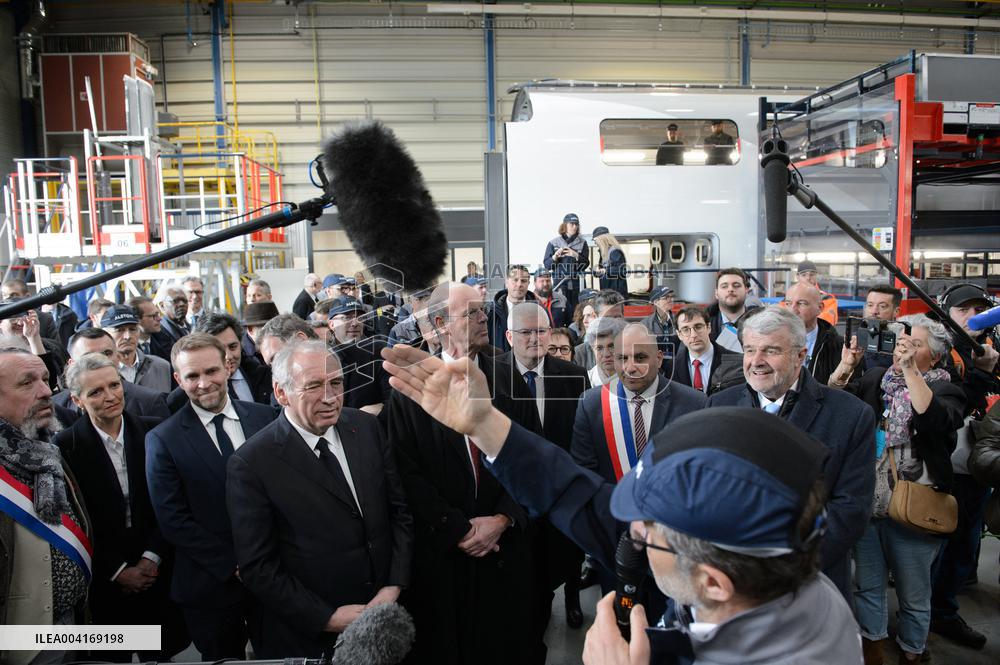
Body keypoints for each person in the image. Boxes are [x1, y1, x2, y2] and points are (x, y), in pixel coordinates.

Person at [379, 345, 863, 665]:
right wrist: (485, 424)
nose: (633, 533)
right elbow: (587, 502)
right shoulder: (770, 571)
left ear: (712, 582)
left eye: (649, 531)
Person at [385, 282, 540, 665]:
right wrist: (458, 529)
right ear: (439, 323)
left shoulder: (507, 375)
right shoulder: (411, 385)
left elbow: (530, 455)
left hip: (504, 551)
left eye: (482, 310)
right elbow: (404, 472)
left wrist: (503, 519)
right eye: (470, 312)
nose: (483, 317)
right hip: (443, 558)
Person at [226, 340, 413, 658]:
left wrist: (393, 586)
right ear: (281, 393)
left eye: (336, 383)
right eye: (313, 386)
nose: (330, 397)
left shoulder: (366, 427)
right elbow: (259, 567)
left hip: (387, 620)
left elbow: (399, 512)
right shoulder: (252, 463)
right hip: (311, 638)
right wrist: (326, 618)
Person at [706, 306, 875, 598]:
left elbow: (851, 510)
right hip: (735, 582)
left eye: (770, 350)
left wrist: (783, 566)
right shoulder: (718, 407)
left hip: (812, 582)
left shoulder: (851, 415)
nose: (756, 362)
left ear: (800, 355)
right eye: (749, 350)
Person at [829, 314, 965, 664]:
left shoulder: (947, 388)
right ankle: (872, 646)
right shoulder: (876, 379)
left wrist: (910, 371)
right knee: (868, 584)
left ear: (934, 357)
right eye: (902, 342)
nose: (903, 349)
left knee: (913, 592)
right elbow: (832, 402)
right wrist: (847, 365)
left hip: (916, 507)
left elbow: (932, 417)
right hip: (869, 502)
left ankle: (912, 651)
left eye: (915, 344)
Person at [145, 334, 278, 660]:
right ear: (178, 379)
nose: (204, 383)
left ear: (228, 367)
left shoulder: (266, 419)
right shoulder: (163, 439)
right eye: (192, 376)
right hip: (209, 588)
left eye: (211, 371)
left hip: (275, 579)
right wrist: (235, 565)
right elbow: (173, 519)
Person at [54, 353, 189, 661]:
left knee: (160, 652)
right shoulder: (64, 447)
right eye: (96, 392)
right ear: (77, 399)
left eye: (114, 385)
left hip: (156, 570)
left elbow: (170, 503)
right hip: (104, 583)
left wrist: (151, 558)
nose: (110, 396)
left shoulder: (156, 433)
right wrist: (117, 571)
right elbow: (72, 520)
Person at [0, 348, 92, 665]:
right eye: (27, 383)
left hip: (71, 625)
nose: (45, 391)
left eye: (45, 379)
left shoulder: (45, 448)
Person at [503, 302, 591, 632]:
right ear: (510, 336)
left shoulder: (574, 376)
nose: (535, 338)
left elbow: (582, 438)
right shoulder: (491, 375)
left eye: (541, 331)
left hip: (560, 488)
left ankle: (570, 598)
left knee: (565, 555)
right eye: (526, 332)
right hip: (511, 494)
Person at [929, 284, 999, 650]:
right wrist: (977, 369)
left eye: (979, 310)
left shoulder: (991, 351)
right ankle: (925, 612)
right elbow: (947, 406)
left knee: (964, 544)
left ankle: (943, 607)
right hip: (941, 467)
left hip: (980, 466)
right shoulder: (939, 353)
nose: (973, 318)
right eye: (963, 310)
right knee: (933, 544)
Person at [573, 322, 706, 485]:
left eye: (640, 357)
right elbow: (586, 475)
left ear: (658, 359)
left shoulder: (694, 404)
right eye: (622, 358)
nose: (630, 368)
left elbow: (699, 471)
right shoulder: (591, 405)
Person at [53, 328, 170, 420]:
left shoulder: (150, 402)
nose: (100, 361)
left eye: (107, 353)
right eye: (89, 357)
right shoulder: (56, 406)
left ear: (118, 357)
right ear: (72, 364)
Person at [326, 297, 391, 415]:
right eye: (347, 317)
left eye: (360, 317)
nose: (355, 323)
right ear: (331, 324)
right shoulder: (323, 358)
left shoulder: (377, 351)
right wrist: (357, 416)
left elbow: (392, 402)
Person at [665, 306, 743, 395]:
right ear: (679, 335)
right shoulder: (671, 367)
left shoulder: (735, 362)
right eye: (686, 329)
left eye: (698, 327)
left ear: (709, 327)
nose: (693, 335)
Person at [784, 282, 843, 386]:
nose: (793, 310)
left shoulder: (837, 346)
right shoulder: (771, 341)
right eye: (788, 303)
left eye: (801, 303)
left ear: (820, 308)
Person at [103, 305, 173, 393]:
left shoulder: (162, 366)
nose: (127, 336)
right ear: (105, 334)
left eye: (132, 329)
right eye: (119, 330)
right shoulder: (99, 371)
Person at [0, 306, 68, 391]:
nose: (21, 322)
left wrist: (34, 338)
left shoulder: (53, 347)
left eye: (25, 315)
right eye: (14, 317)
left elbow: (48, 384)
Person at [543, 213, 590, 314]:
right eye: (572, 224)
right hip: (560, 283)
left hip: (577, 284)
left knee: (578, 312)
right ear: (565, 225)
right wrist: (555, 257)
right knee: (560, 311)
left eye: (577, 224)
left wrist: (575, 255)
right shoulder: (553, 243)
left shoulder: (583, 243)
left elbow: (586, 264)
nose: (575, 226)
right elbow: (547, 265)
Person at [487, 264, 535, 352]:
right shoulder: (490, 313)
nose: (519, 284)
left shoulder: (539, 312)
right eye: (515, 280)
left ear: (528, 283)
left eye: (523, 281)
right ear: (506, 282)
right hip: (498, 363)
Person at [707, 268, 756, 353]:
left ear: (746, 291)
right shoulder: (702, 323)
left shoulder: (759, 324)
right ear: (716, 293)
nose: (730, 289)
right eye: (724, 286)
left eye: (736, 285)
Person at [575, 291, 625, 371]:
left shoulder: (635, 349)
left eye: (617, 317)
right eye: (607, 318)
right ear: (596, 317)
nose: (613, 323)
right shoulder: (580, 354)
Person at [1, 279, 61, 344]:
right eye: (4, 295)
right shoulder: (2, 317)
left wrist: (34, 340)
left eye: (14, 295)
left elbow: (56, 348)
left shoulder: (45, 319)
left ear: (27, 296)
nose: (8, 299)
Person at [859, 285, 903, 370]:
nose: (874, 311)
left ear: (896, 311)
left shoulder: (902, 342)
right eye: (870, 305)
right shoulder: (854, 338)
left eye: (882, 306)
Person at [128, 295, 173, 362]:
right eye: (153, 316)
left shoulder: (164, 340)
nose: (159, 319)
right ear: (137, 319)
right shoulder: (126, 345)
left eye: (158, 314)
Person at [585, 316, 628, 387]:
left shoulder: (634, 380)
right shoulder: (587, 380)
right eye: (599, 348)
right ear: (593, 350)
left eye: (612, 346)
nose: (606, 354)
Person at [640, 285, 678, 363]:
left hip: (677, 362)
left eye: (671, 297)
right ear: (656, 302)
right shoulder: (644, 324)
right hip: (655, 363)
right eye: (666, 297)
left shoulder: (680, 320)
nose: (671, 299)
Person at [796, 260, 839, 326]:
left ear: (816, 276)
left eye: (812, 275)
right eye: (804, 275)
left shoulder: (827, 299)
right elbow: (780, 320)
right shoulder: (789, 298)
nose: (808, 278)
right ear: (797, 277)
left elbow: (826, 322)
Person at [592, 227, 628, 298]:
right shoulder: (605, 252)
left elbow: (621, 270)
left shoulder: (614, 252)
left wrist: (605, 270)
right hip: (608, 292)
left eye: (595, 240)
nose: (595, 243)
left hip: (615, 293)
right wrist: (598, 273)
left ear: (602, 239)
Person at [240, 301, 279, 366]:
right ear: (251, 329)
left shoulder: (282, 345)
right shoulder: (241, 356)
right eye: (268, 329)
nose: (274, 332)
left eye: (277, 327)